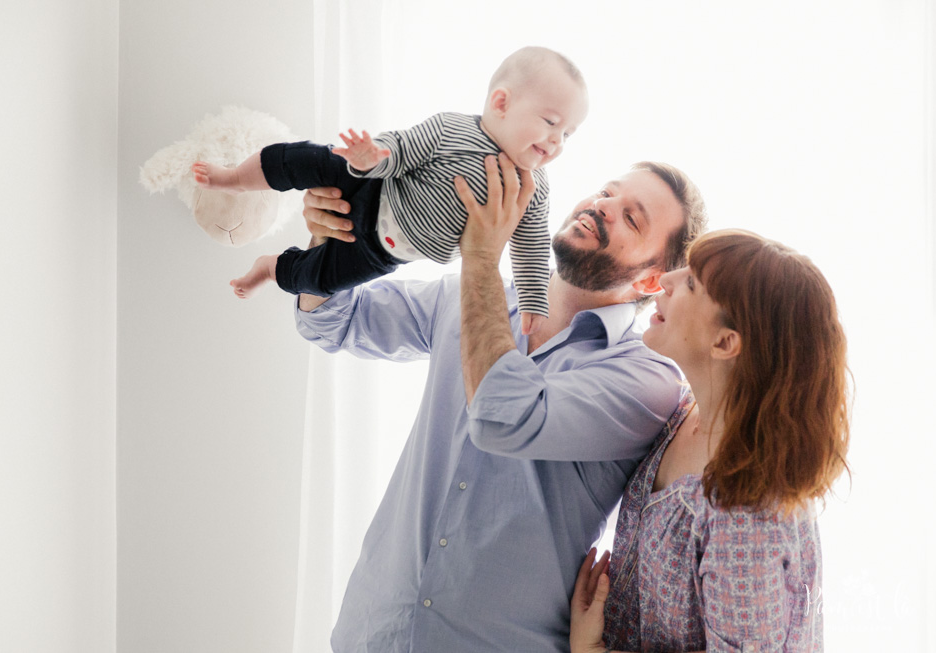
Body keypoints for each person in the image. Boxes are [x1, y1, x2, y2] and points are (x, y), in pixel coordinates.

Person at [295, 153, 707, 652]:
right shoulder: (467, 296)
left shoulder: (649, 379)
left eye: (631, 217)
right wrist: (330, 235)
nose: (604, 207)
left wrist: (481, 258)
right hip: (372, 632)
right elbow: (331, 318)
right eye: (607, 192)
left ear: (649, 281)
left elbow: (505, 417)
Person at [569, 230, 852, 653]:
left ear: (725, 342)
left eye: (690, 284)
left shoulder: (748, 512)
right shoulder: (682, 414)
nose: (666, 280)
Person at [193, 46, 589, 334]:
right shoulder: (454, 129)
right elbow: (401, 147)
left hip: (382, 252)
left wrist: (535, 300)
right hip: (375, 186)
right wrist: (370, 158)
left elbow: (532, 245)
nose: (557, 141)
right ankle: (235, 178)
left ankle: (271, 268)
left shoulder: (532, 189)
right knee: (304, 158)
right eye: (551, 122)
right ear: (501, 102)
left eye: (568, 134)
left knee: (321, 280)